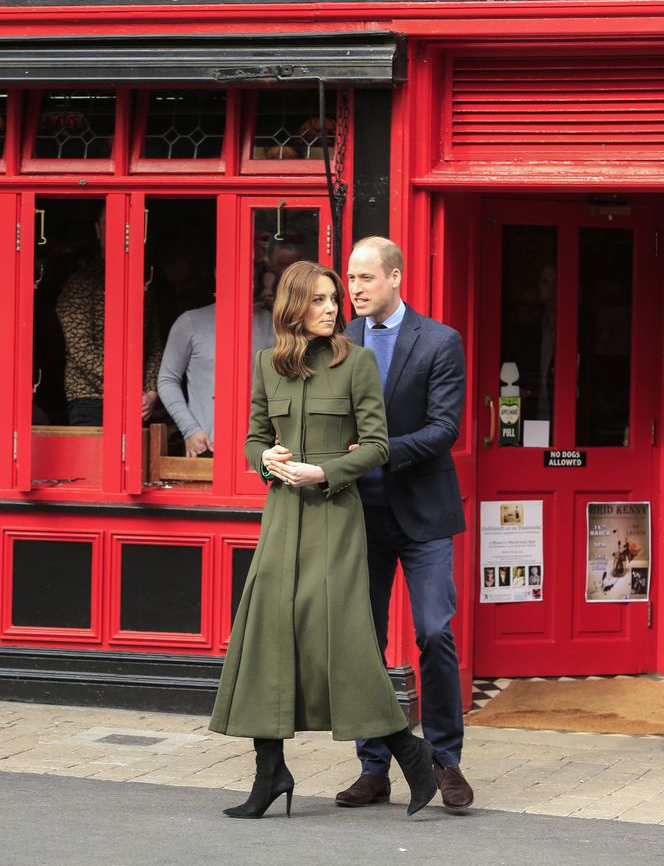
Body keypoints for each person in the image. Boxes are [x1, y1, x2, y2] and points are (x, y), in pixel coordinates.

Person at [209, 261, 436, 820]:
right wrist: (263, 459)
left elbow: (379, 445)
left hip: (336, 518)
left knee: (346, 641)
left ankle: (413, 756)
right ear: (293, 307)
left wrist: (326, 472)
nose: (333, 308)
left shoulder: (355, 362)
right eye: (318, 300)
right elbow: (254, 437)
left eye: (334, 299)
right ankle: (270, 773)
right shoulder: (268, 365)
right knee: (266, 639)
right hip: (283, 518)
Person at [336, 236, 473, 813]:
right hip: (356, 515)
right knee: (362, 640)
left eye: (367, 278)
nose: (356, 289)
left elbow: (445, 428)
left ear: (395, 277)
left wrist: (375, 450)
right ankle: (375, 767)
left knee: (435, 631)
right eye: (351, 279)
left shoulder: (440, 341)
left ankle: (445, 761)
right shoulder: (338, 340)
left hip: (423, 514)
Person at [56, 205, 162, 426]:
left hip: (136, 399)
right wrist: (128, 385)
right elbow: (81, 349)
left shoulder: (142, 282)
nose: (117, 233)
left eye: (125, 227)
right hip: (90, 398)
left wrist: (151, 391)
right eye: (108, 225)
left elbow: (153, 342)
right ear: (97, 230)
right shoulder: (81, 283)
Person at [157, 303, 215, 457]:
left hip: (261, 445)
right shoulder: (191, 322)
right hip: (206, 444)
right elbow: (167, 379)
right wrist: (190, 429)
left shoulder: (270, 321)